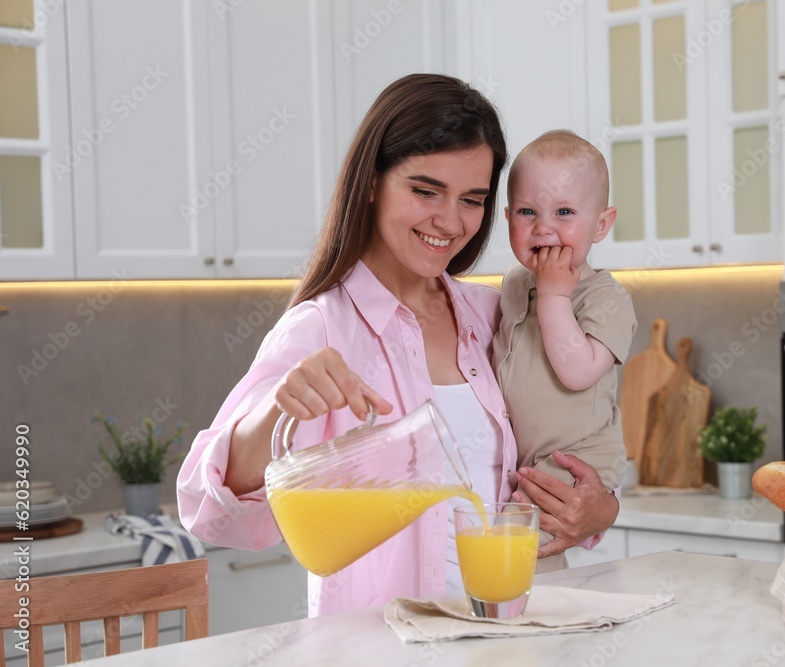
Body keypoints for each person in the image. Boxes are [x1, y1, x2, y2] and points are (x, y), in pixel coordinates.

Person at [176, 74, 620, 616]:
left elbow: (570, 432)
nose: (449, 221)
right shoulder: (323, 327)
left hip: (510, 635)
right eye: (425, 190)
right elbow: (205, 507)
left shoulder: (496, 315)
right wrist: (277, 407)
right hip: (382, 645)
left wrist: (600, 511)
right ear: (372, 181)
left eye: (471, 200)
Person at [493, 130, 637, 571]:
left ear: (601, 224)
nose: (543, 227)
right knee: (513, 559)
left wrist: (555, 296)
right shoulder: (515, 284)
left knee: (518, 559)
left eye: (565, 212)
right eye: (527, 211)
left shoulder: (605, 297)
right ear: (507, 217)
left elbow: (577, 372)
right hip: (525, 461)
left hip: (575, 461)